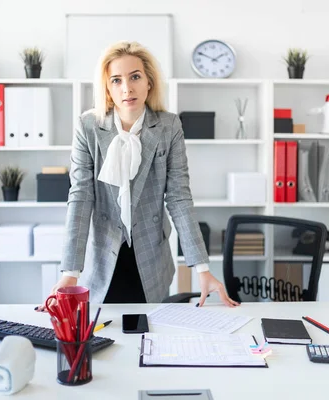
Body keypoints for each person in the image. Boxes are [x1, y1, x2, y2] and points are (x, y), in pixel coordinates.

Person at [37, 41, 238, 309]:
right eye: (116, 80)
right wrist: (69, 274)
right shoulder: (88, 126)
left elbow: (179, 198)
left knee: (149, 337)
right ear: (107, 89)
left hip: (151, 259)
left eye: (135, 77)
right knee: (102, 335)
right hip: (103, 258)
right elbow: (81, 198)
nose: (127, 88)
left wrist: (202, 268)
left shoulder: (168, 126)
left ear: (149, 82)